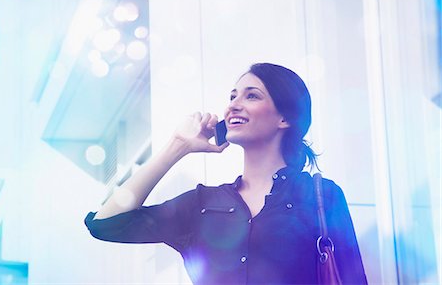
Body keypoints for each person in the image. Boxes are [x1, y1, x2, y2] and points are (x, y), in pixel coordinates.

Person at [85, 63, 367, 284]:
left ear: (285, 118)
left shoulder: (320, 196)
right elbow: (106, 224)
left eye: (251, 95)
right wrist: (177, 146)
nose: (233, 104)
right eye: (232, 96)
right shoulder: (202, 205)